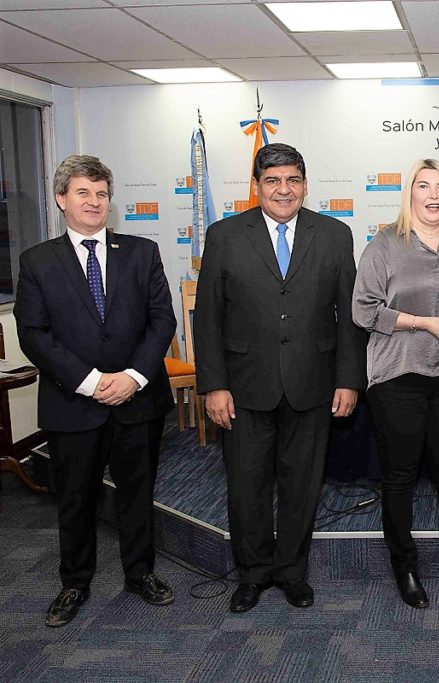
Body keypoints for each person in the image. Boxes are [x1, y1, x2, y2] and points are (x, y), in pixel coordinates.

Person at [194, 143, 366, 613]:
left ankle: (292, 572)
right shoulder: (225, 235)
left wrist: (349, 379)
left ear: (305, 185)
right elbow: (207, 316)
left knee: (301, 486)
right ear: (256, 186)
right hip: (244, 387)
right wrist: (213, 384)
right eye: (272, 181)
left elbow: (349, 316)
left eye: (292, 180)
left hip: (313, 383)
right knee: (246, 486)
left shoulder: (334, 234)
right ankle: (251, 574)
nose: (283, 190)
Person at [15, 154, 176, 627]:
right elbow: (34, 334)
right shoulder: (38, 261)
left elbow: (162, 319)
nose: (94, 202)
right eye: (83, 193)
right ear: (61, 198)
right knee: (75, 499)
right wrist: (90, 382)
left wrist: (133, 377)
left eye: (102, 194)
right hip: (72, 403)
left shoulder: (141, 252)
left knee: (137, 493)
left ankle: (140, 573)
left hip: (138, 400)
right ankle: (74, 583)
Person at [352, 159, 439, 609]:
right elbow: (362, 310)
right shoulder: (384, 245)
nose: (433, 194)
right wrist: (425, 323)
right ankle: (404, 567)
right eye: (423, 185)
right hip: (398, 377)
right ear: (409, 194)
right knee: (400, 479)